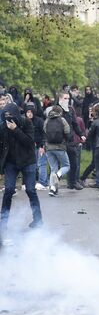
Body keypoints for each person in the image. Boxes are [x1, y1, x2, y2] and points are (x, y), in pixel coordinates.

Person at [0, 102, 43, 244]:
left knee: (31, 190)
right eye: (5, 117)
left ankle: (38, 220)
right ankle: (3, 223)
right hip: (11, 163)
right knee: (9, 190)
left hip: (27, 161)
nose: (8, 121)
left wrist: (15, 129)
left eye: (10, 117)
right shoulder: (3, 126)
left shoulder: (26, 123)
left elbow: (30, 143)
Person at [44, 105, 71, 197]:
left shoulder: (47, 120)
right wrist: (66, 140)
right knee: (66, 166)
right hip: (60, 147)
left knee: (53, 168)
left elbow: (44, 131)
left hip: (48, 148)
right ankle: (59, 175)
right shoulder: (62, 120)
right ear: (60, 112)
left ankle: (52, 189)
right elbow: (67, 132)